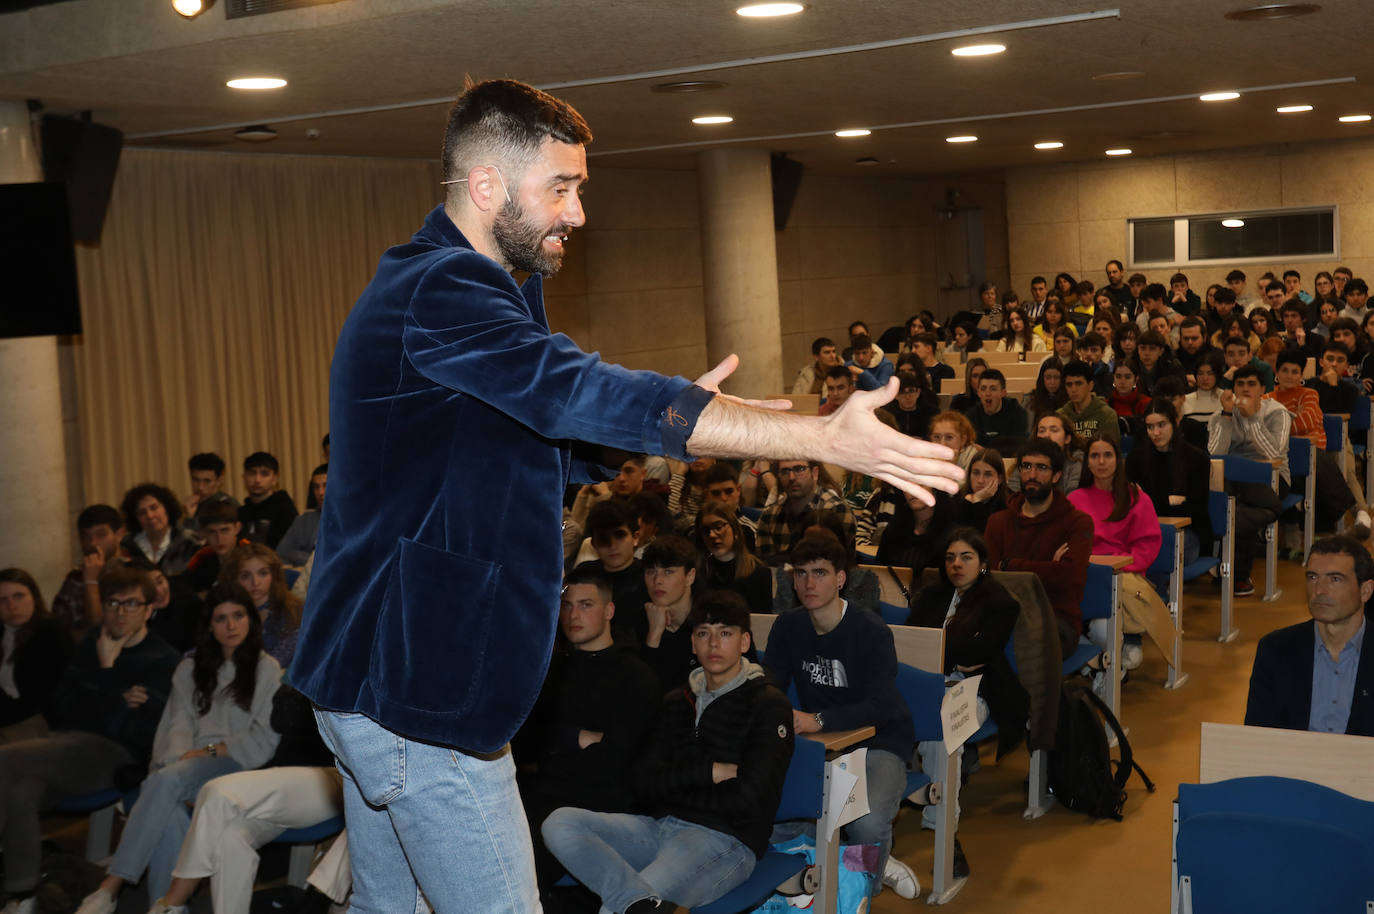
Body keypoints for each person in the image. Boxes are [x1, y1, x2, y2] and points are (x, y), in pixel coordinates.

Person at [291, 78, 962, 914]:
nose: (577, 212)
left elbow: (509, 447)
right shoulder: (442, 288)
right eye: (560, 188)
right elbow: (574, 390)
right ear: (487, 185)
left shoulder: (468, 291)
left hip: (381, 681)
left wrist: (674, 426)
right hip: (418, 687)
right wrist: (819, 437)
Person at [541, 591, 794, 914]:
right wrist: (711, 772)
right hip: (659, 828)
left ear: (744, 642)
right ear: (693, 644)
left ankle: (632, 903)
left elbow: (752, 799)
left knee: (613, 911)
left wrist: (677, 782)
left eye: (725, 633)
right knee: (559, 823)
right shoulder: (677, 702)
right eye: (703, 633)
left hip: (724, 840)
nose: (713, 644)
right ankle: (637, 901)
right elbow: (643, 783)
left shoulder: (768, 705)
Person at [74, 589, 282, 914]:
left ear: (251, 620)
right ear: (210, 626)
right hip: (185, 768)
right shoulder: (189, 668)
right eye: (221, 618)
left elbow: (264, 740)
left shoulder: (267, 669)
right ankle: (168, 908)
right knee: (169, 809)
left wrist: (208, 752)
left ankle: (110, 886)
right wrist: (178, 765)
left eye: (238, 616)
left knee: (166, 782)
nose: (231, 626)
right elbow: (176, 727)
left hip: (238, 768)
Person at [0, 565, 180, 914]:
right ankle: (22, 895)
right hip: (68, 743)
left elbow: (134, 733)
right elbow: (63, 708)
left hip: (117, 757)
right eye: (112, 603)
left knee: (4, 759)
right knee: (22, 792)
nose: (119, 612)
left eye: (131, 604)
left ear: (148, 609)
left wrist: (106, 673)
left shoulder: (162, 659)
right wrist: (114, 697)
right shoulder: (93, 642)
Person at [761, 535, 925, 895]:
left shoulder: (870, 631)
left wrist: (818, 720)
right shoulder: (789, 625)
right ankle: (841, 865)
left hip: (880, 741)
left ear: (840, 579)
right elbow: (769, 684)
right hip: (822, 744)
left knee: (867, 824)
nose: (809, 583)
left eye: (819, 573)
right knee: (779, 821)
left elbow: (880, 706)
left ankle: (859, 890)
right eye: (801, 573)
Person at [515, 566, 659, 904]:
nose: (573, 615)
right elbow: (523, 747)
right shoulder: (549, 670)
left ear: (609, 610)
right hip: (536, 795)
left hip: (599, 805)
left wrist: (553, 747)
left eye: (585, 605)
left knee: (520, 874)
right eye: (566, 605)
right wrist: (578, 738)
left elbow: (617, 761)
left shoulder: (636, 677)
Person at [906, 529, 1028, 840]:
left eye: (966, 557)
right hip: (927, 683)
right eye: (950, 558)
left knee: (942, 729)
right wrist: (955, 655)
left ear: (983, 564)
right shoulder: (932, 596)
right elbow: (910, 642)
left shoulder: (1001, 602)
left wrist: (941, 651)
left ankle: (942, 822)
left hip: (976, 689)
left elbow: (980, 652)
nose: (956, 564)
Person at [1245, 535, 1374, 736]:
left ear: (1365, 591)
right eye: (1313, 577)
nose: (1319, 590)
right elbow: (1257, 737)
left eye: (1335, 579)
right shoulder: (1275, 649)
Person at [1068, 437, 1177, 673]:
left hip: (1123, 575)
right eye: (1095, 456)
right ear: (1087, 462)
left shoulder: (1136, 498)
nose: (1101, 462)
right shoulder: (1074, 499)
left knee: (1120, 646)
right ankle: (1099, 664)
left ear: (1118, 460)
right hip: (1085, 575)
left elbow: (1147, 546)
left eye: (1107, 455)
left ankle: (1105, 661)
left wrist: (1117, 566)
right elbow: (1066, 544)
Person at [985, 440, 1094, 657]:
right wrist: (1048, 568)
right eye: (1026, 466)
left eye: (1041, 467)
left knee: (1021, 643)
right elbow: (988, 577)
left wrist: (1009, 565)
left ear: (1056, 476)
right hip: (1004, 613)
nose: (1032, 474)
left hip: (1056, 619)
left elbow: (1069, 578)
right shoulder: (998, 522)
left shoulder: (1077, 523)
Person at [1208, 364, 1292, 597]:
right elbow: (1214, 455)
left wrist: (1253, 418)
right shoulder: (1220, 414)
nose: (1245, 389)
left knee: (1234, 510)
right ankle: (1237, 575)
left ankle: (1231, 569)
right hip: (1232, 481)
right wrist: (1226, 416)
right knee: (1239, 510)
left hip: (1272, 480)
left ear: (1263, 389)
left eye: (1252, 384)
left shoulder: (1278, 412)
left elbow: (1274, 455)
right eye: (1240, 384)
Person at [1126, 400, 1213, 569]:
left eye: (1162, 425)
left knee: (1161, 551)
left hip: (1187, 532)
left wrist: (1151, 501)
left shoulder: (1197, 459)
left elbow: (1196, 508)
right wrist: (1169, 501)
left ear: (1175, 423)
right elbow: (1132, 504)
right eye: (1150, 427)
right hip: (1145, 530)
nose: (1156, 433)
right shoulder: (1136, 459)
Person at [0, 569, 73, 744]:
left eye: (19, 596)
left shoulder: (50, 631)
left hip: (41, 722)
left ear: (34, 597)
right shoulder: (3, 631)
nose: (12, 606)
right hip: (10, 717)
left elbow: (43, 697)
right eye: (2, 600)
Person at [754, 459, 856, 565]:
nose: (791, 477)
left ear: (815, 473)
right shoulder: (769, 516)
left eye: (799, 469)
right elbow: (767, 567)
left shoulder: (837, 511)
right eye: (785, 471)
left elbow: (844, 565)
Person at [48, 504, 127, 636]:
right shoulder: (74, 578)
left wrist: (91, 581)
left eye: (101, 535)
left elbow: (103, 629)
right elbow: (58, 629)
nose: (92, 543)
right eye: (86, 537)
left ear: (119, 534)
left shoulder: (134, 571)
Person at [218, 544, 302, 668]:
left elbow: (275, 663)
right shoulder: (222, 610)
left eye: (263, 573)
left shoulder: (294, 612)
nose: (255, 583)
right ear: (233, 579)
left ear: (274, 575)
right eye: (245, 576)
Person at [695, 502, 772, 613]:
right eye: (705, 530)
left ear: (735, 529)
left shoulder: (758, 572)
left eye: (718, 527)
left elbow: (762, 619)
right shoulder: (699, 572)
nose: (712, 535)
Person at [120, 484, 202, 578]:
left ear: (166, 508)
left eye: (154, 508)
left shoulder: (189, 542)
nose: (150, 516)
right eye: (142, 512)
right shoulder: (128, 546)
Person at [237, 453, 299, 551]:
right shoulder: (241, 512)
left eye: (264, 474)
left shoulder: (285, 509)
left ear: (275, 479)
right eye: (252, 473)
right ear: (244, 477)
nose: (257, 480)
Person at [1058, 359, 1121, 443]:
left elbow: (1109, 448)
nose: (1073, 389)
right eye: (1069, 385)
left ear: (1090, 385)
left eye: (1079, 383)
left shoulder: (1107, 415)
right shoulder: (1060, 416)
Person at [276, 463, 327, 566]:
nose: (320, 492)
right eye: (316, 487)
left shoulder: (351, 521)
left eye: (326, 485)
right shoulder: (303, 520)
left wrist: (299, 556)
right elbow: (281, 555)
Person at [953, 447, 1008, 529]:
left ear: (1000, 479)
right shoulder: (959, 498)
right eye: (976, 473)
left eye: (988, 474)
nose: (980, 480)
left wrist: (977, 500)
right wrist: (968, 502)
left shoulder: (1007, 505)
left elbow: (983, 534)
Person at [183, 453, 237, 527]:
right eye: (196, 480)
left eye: (207, 481)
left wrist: (190, 519)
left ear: (219, 481)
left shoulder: (228, 506)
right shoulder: (189, 505)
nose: (200, 487)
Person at [881, 371, 939, 440]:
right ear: (895, 395)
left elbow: (935, 436)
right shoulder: (887, 414)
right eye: (902, 392)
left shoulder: (932, 413)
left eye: (911, 391)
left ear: (918, 392)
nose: (907, 397)